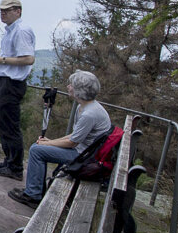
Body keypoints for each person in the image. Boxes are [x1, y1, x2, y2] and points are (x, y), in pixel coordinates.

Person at [9, 70, 112, 208]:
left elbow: (72, 142)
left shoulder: (89, 114)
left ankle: (33, 195)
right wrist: (49, 141)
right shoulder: (86, 107)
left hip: (83, 157)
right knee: (40, 146)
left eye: (71, 85)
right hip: (85, 152)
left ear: (79, 90)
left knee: (36, 150)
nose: (68, 87)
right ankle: (35, 191)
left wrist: (49, 143)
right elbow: (75, 135)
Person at [0, 0, 36, 181]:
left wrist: (1, 60)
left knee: (9, 125)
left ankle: (15, 167)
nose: (3, 13)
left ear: (18, 11)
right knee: (1, 122)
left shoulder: (21, 30)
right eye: (1, 10)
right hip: (3, 81)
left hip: (11, 83)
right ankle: (9, 161)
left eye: (7, 10)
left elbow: (28, 59)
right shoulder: (10, 31)